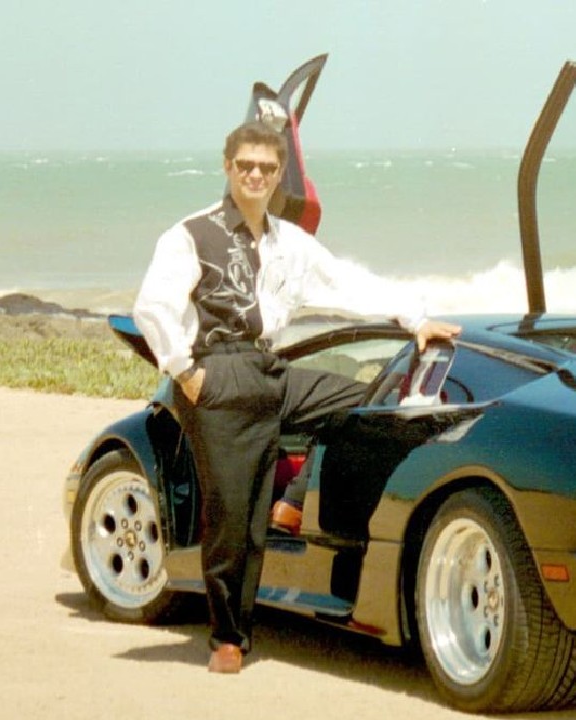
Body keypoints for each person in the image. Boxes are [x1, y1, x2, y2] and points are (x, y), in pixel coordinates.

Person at [133, 120, 460, 674]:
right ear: (227, 167)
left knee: (363, 407)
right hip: (217, 374)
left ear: (280, 172)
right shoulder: (192, 234)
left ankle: (299, 495)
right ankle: (228, 639)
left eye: (266, 166)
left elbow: (347, 282)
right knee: (234, 516)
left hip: (269, 368)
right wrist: (186, 372)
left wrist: (416, 317)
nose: (255, 175)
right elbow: (152, 305)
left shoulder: (290, 242)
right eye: (245, 166)